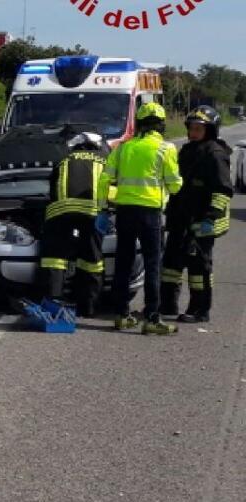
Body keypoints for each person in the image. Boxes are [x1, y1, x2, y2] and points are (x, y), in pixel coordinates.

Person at [99, 102, 183, 335]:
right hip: (150, 214)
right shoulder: (165, 149)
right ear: (161, 125)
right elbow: (175, 185)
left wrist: (102, 208)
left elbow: (105, 179)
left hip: (124, 211)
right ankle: (152, 318)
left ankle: (121, 314)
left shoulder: (124, 148)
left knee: (123, 264)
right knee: (152, 265)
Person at [160, 106, 234, 323]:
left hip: (203, 221)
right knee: (171, 264)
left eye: (198, 129)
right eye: (191, 128)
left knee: (199, 268)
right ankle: (167, 306)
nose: (193, 132)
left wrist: (210, 218)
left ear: (210, 130)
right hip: (180, 218)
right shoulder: (187, 150)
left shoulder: (215, 154)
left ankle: (199, 310)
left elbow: (223, 190)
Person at [39, 131, 110, 316]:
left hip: (61, 213)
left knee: (55, 259)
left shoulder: (63, 160)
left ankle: (53, 304)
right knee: (91, 261)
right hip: (92, 214)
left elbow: (52, 190)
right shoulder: (104, 161)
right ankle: (89, 307)